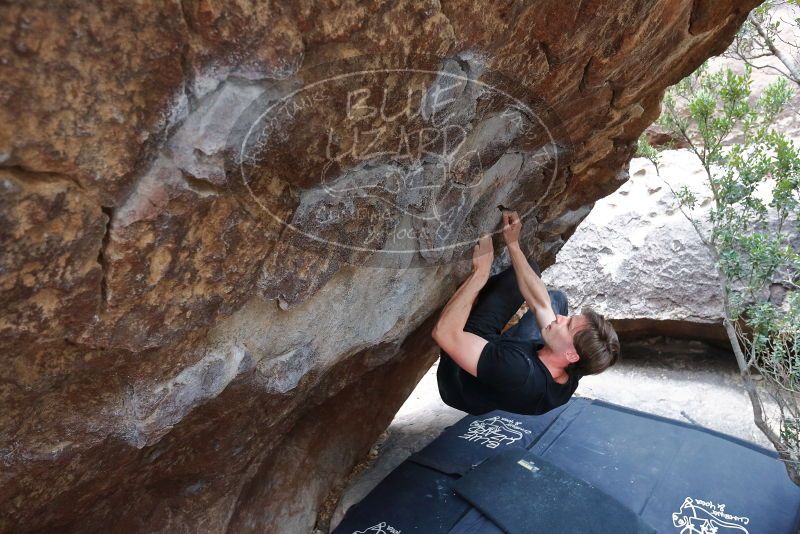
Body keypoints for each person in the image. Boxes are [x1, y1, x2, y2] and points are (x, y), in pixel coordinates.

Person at [431, 211, 620, 415]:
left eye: (568, 325)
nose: (561, 318)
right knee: (554, 297)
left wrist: (480, 273)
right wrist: (513, 243)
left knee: (466, 323)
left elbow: (443, 333)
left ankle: (474, 296)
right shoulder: (576, 364)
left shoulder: (518, 371)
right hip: (506, 366)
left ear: (571, 355)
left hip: (459, 383)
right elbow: (541, 305)